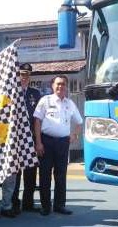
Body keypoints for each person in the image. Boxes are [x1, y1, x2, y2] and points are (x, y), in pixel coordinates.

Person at [33, 75, 83, 216]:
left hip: (62, 143)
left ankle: (59, 205)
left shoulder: (69, 103)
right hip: (46, 142)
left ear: (66, 87)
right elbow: (37, 122)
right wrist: (38, 143)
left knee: (61, 176)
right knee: (45, 176)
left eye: (63, 84)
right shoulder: (45, 100)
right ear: (52, 86)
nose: (60, 87)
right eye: (58, 84)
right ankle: (45, 206)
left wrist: (74, 135)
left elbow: (79, 122)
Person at [11, 63, 41, 214]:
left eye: (27, 75)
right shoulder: (11, 93)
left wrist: (38, 140)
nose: (24, 77)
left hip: (30, 138)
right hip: (15, 138)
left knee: (30, 171)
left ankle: (28, 203)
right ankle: (13, 203)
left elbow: (38, 118)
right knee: (15, 173)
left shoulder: (35, 94)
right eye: (22, 74)